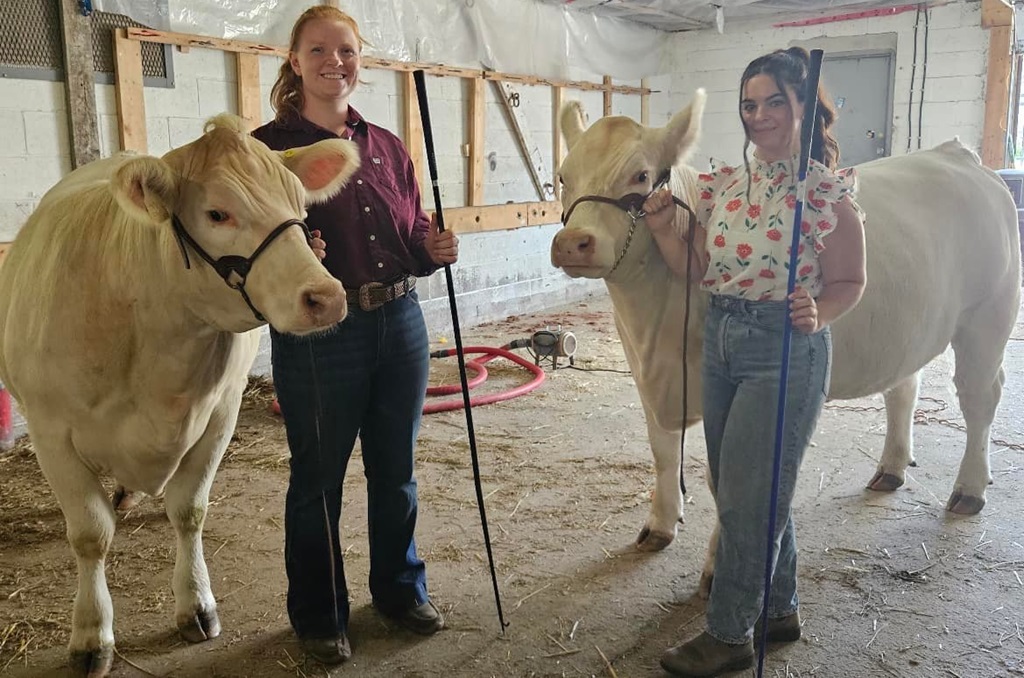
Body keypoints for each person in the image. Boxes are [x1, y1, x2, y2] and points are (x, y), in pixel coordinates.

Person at [642, 47, 866, 677]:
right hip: (721, 337)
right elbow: (701, 270)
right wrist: (664, 232)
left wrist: (820, 309)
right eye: (749, 103)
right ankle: (780, 606)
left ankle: (731, 632)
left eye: (774, 101)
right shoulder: (727, 186)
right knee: (742, 486)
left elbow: (852, 279)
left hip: (784, 349)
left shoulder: (826, 193)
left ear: (803, 105)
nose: (759, 115)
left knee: (748, 498)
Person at [252, 5, 459, 666]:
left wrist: (431, 247)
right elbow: (256, 251)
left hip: (399, 323)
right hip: (321, 336)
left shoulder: (389, 146)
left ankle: (399, 591)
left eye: (346, 51)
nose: (334, 63)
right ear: (295, 61)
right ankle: (319, 615)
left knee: (395, 473)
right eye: (318, 51)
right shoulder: (266, 149)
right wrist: (299, 254)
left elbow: (410, 236)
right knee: (318, 481)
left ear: (358, 60)